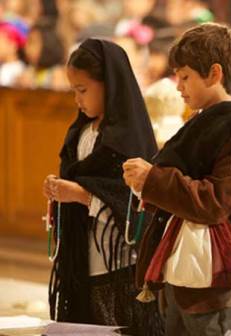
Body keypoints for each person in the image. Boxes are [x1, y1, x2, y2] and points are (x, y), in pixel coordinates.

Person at [122, 23, 231, 336]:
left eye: (185, 77)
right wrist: (148, 181)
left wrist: (154, 180)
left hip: (212, 276)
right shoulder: (201, 123)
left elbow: (215, 202)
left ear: (213, 74)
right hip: (184, 265)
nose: (178, 86)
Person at [42, 38, 164, 335]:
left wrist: (81, 195)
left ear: (109, 85)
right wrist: (57, 188)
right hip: (82, 257)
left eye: (82, 90)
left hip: (119, 262)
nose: (77, 100)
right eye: (74, 91)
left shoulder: (127, 139)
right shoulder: (80, 132)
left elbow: (134, 201)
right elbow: (78, 177)